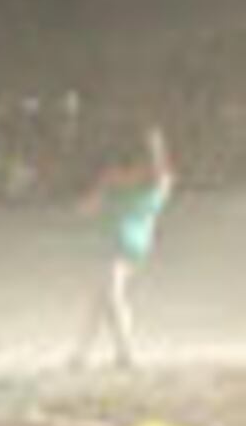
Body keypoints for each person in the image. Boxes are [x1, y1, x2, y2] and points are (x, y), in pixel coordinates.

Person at [68, 122, 176, 371]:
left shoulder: (127, 177)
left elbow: (92, 202)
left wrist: (98, 192)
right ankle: (81, 355)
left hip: (119, 240)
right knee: (102, 298)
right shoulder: (163, 180)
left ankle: (125, 353)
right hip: (137, 241)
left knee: (112, 295)